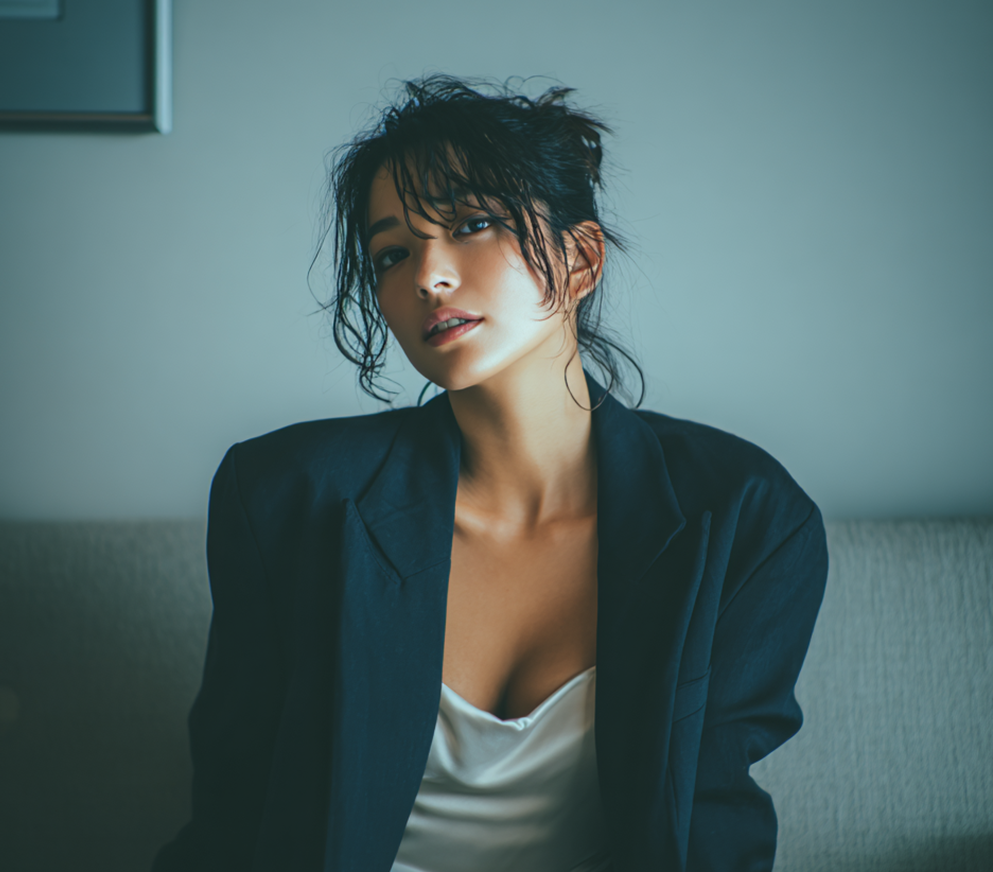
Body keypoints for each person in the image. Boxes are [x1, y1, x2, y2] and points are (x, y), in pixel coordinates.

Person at [154, 76, 829, 872]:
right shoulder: (285, 496)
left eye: (472, 223)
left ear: (579, 260)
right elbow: (237, 806)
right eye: (392, 253)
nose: (427, 277)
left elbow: (710, 823)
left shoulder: (745, 516)